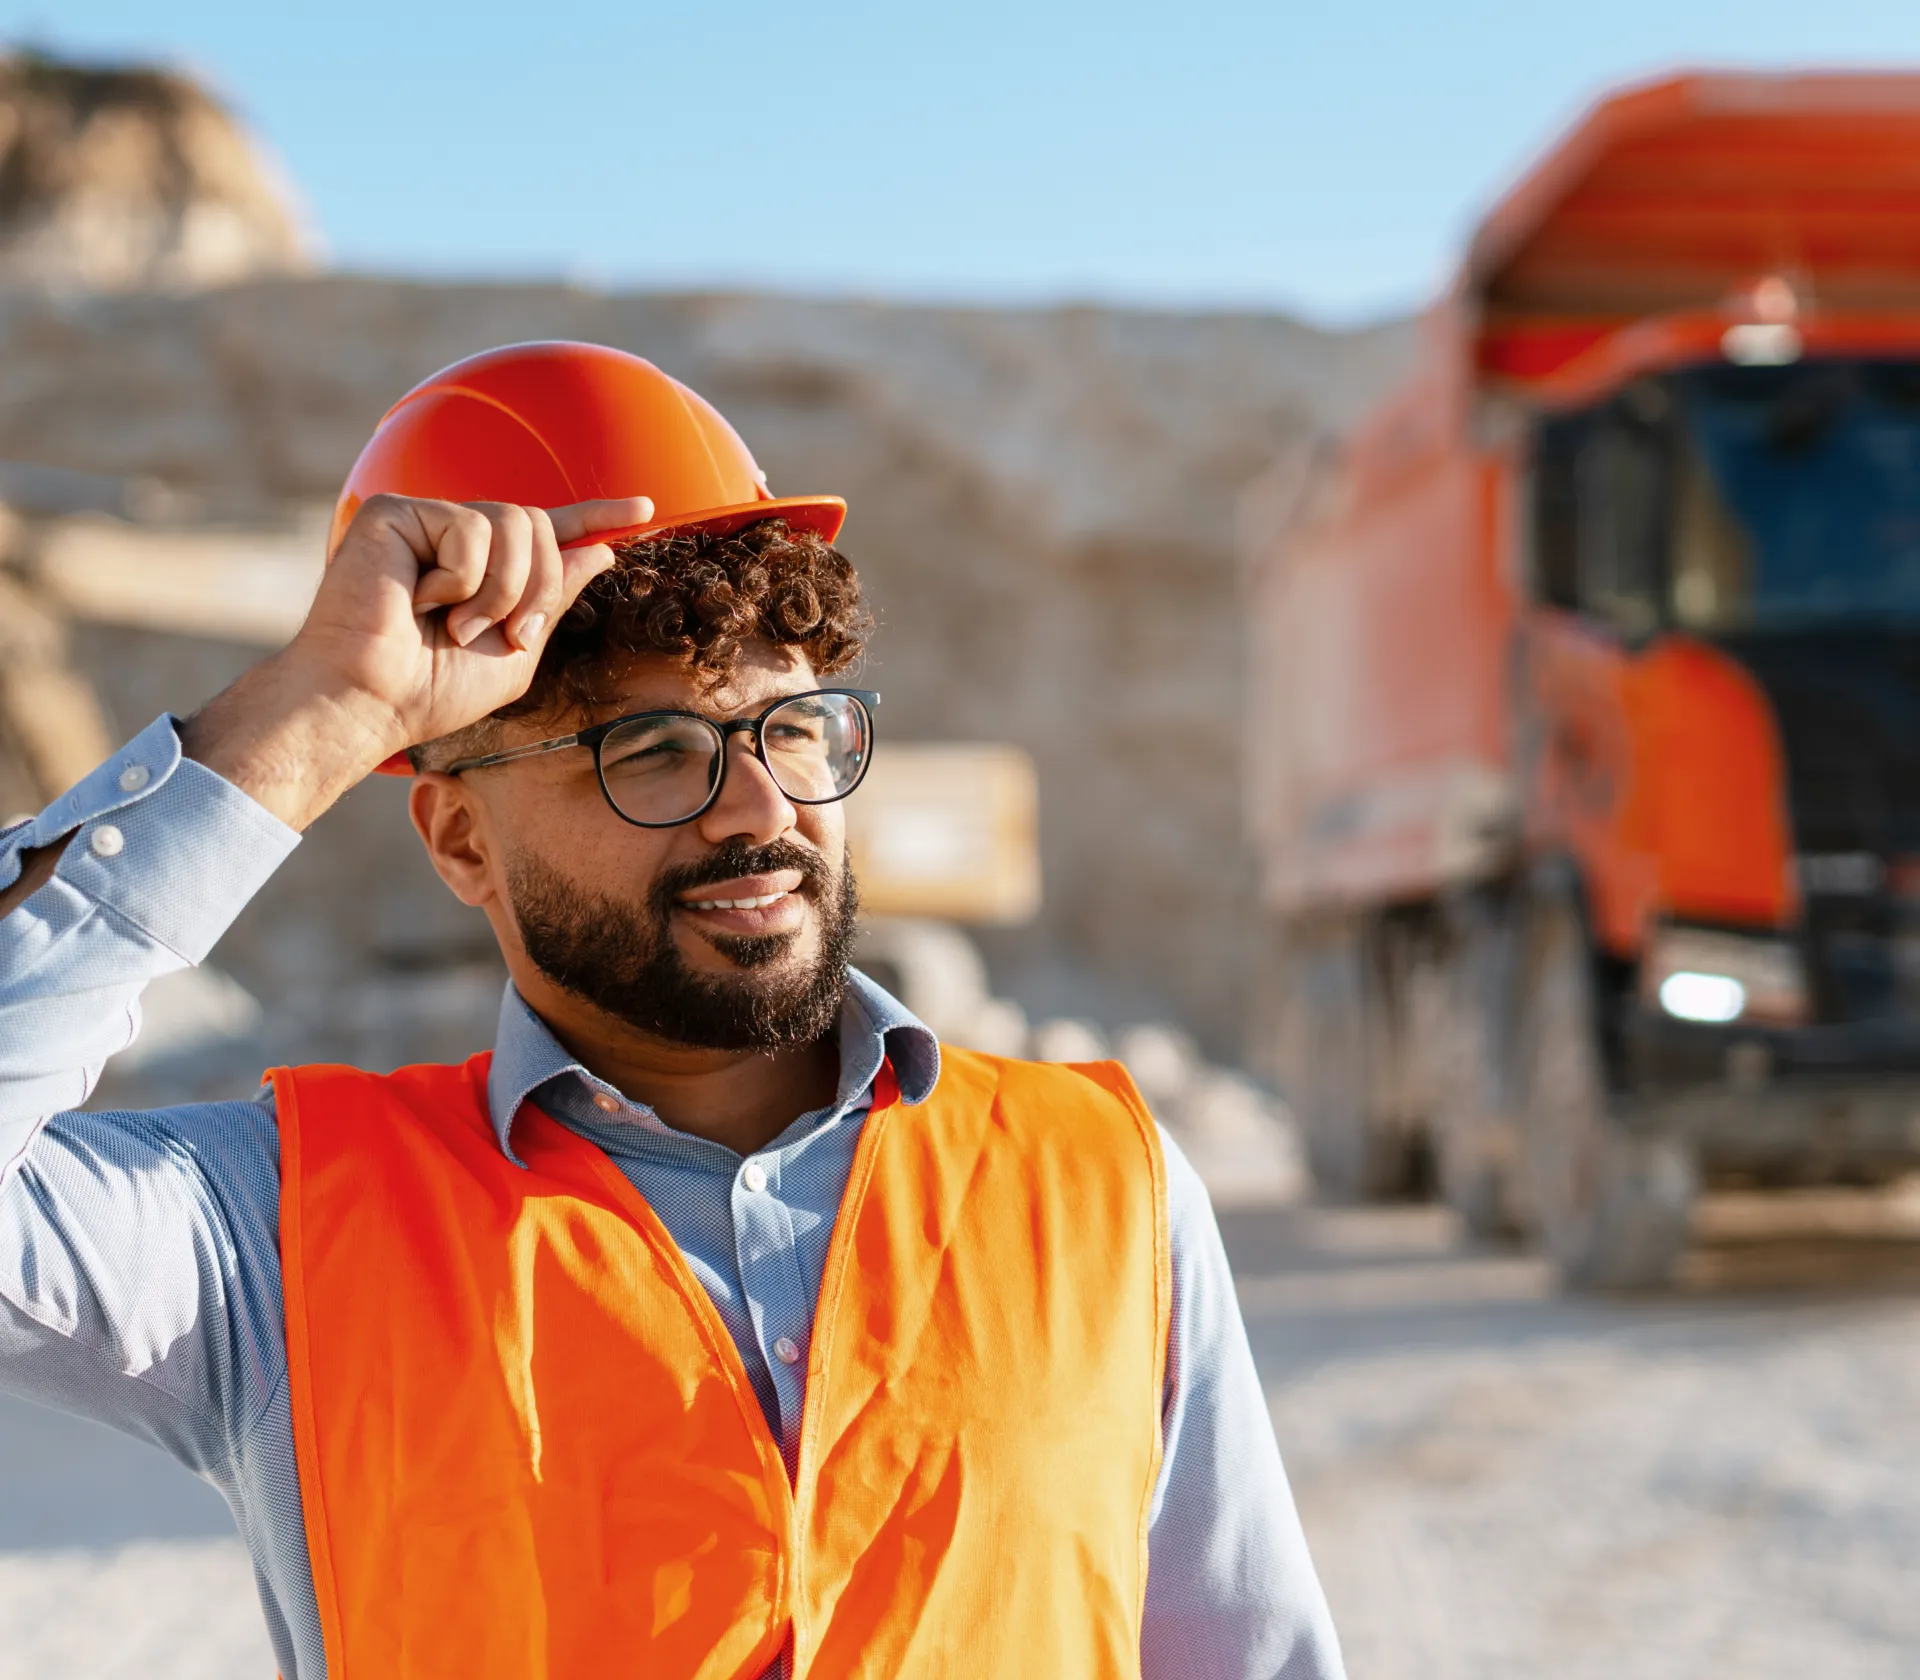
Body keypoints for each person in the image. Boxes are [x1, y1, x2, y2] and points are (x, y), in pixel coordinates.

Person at [0, 341, 1343, 1679]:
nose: (762, 813)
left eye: (795, 730)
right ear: (459, 841)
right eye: (652, 754)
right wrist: (320, 708)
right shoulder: (279, 1237)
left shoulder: (1105, 1184)